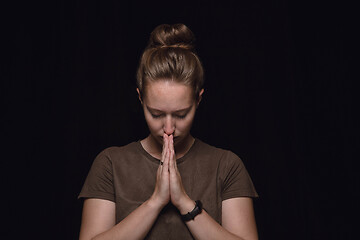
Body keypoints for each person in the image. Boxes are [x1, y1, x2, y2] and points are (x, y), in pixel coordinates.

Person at [78, 23, 259, 240]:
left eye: (181, 114)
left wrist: (184, 202)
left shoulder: (227, 165)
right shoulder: (110, 163)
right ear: (140, 98)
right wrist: (155, 201)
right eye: (156, 114)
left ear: (198, 99)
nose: (169, 128)